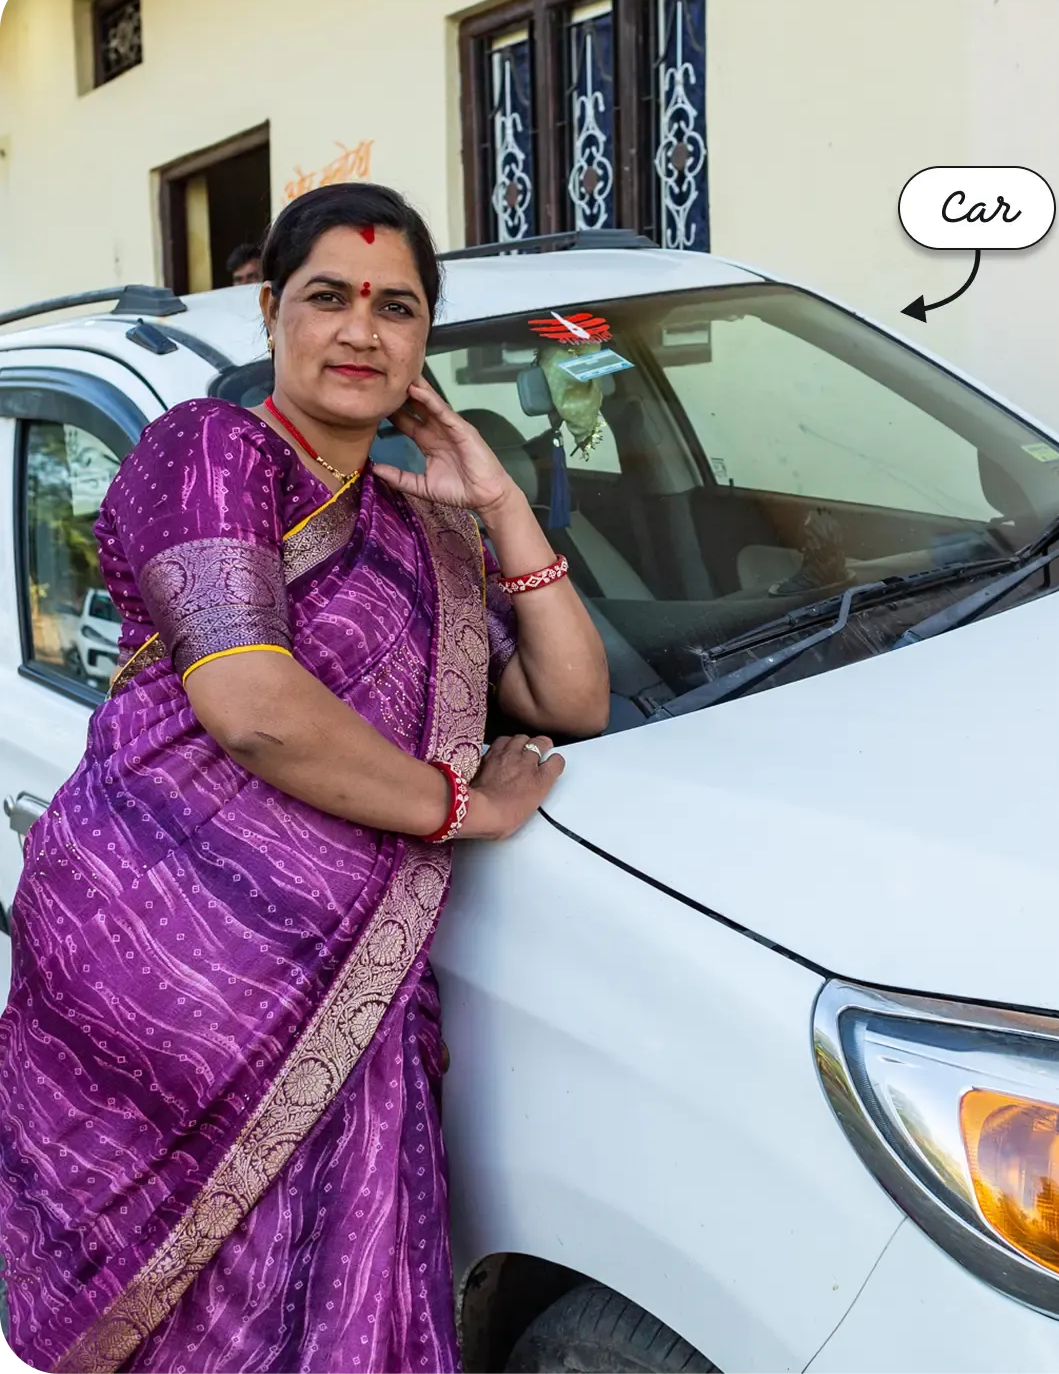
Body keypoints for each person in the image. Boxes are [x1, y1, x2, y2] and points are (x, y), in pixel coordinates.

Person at [0, 182, 609, 1373]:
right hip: (160, 963)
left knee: (329, 1305)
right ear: (273, 309)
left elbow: (570, 697)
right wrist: (461, 808)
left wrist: (499, 508)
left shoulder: (422, 528)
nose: (361, 332)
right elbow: (251, 702)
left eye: (397, 307)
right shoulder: (211, 450)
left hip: (343, 983)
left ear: (425, 338)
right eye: (328, 297)